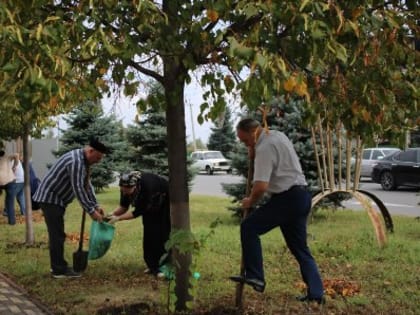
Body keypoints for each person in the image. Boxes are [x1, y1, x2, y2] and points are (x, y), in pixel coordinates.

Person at [229, 118, 325, 304]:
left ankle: (256, 276)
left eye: (245, 141)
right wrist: (252, 150)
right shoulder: (276, 136)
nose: (244, 144)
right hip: (301, 196)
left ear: (251, 132)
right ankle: (316, 294)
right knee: (300, 249)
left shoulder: (264, 148)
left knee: (249, 227)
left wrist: (250, 201)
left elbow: (261, 186)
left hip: (287, 199)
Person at [33, 138, 111, 279]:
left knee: (58, 234)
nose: (98, 161)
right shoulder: (75, 161)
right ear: (90, 151)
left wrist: (96, 205)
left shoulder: (84, 161)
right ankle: (58, 270)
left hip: (57, 200)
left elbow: (87, 184)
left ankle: (58, 267)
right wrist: (91, 211)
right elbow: (78, 189)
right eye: (98, 157)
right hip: (50, 198)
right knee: (57, 235)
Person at [107, 171, 171, 278]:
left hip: (164, 199)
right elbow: (124, 207)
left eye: (128, 191)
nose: (126, 192)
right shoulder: (124, 186)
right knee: (149, 232)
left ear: (135, 186)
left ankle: (164, 266)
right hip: (149, 204)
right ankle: (152, 265)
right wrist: (111, 214)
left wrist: (118, 218)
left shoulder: (147, 188)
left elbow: (137, 212)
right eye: (123, 190)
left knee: (162, 232)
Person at [4, 153, 26, 224]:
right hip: (22, 180)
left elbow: (16, 154)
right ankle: (24, 212)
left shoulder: (8, 157)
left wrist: (14, 166)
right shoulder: (11, 159)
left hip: (17, 181)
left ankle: (7, 211)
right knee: (20, 197)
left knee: (10, 197)